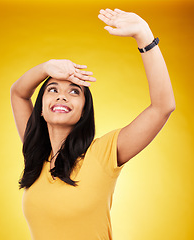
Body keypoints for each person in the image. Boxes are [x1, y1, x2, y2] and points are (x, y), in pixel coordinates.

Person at [10, 8, 175, 240]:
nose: (61, 96)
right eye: (52, 89)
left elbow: (162, 107)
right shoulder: (36, 155)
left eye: (74, 91)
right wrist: (46, 67)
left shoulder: (103, 154)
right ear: (41, 109)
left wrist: (145, 37)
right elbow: (18, 93)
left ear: (84, 110)